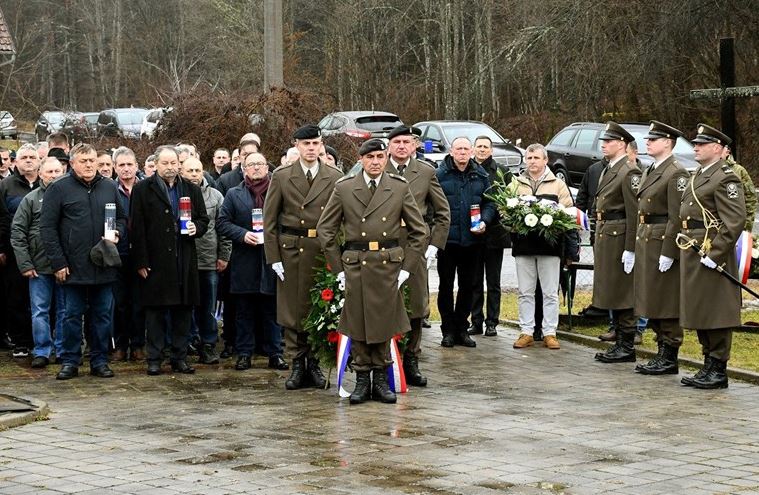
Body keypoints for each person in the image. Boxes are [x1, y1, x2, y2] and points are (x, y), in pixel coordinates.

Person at [317, 138, 426, 404]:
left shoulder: (399, 187)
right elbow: (326, 229)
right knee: (358, 322)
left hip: (388, 264)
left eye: (380, 157)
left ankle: (381, 377)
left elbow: (419, 231)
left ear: (386, 158)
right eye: (370, 158)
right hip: (356, 264)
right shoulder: (344, 188)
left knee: (385, 322)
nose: (375, 162)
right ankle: (362, 378)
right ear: (361, 160)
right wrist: (338, 266)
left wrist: (406, 268)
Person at [263, 124, 343, 389]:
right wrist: (273, 256)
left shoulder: (333, 175)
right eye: (306, 144)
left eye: (316, 143)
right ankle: (297, 364)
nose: (311, 149)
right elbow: (270, 219)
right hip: (292, 249)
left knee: (320, 307)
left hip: (322, 249)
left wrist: (338, 254)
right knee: (293, 312)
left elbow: (342, 219)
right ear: (297, 145)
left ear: (321, 145)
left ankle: (316, 364)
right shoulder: (283, 176)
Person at [40, 143, 127, 380]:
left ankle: (99, 360)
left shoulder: (109, 187)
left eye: (92, 160)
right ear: (73, 163)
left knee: (102, 316)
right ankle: (70, 361)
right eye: (83, 161)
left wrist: (117, 232)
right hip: (72, 266)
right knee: (70, 316)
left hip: (104, 263)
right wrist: (58, 262)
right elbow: (47, 228)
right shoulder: (58, 188)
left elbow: (121, 218)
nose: (89, 165)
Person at [130, 145, 209, 376]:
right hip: (156, 259)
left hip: (183, 258)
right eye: (165, 163)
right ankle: (154, 358)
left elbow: (203, 219)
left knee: (183, 312)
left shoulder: (190, 189)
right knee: (155, 313)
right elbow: (137, 228)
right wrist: (141, 261)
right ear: (156, 164)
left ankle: (179, 357)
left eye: (174, 163)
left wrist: (197, 227)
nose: (170, 167)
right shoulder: (144, 188)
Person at [679, 124, 745, 389]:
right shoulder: (700, 175)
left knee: (716, 311)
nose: (695, 147)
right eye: (695, 143)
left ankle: (718, 368)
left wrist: (716, 254)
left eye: (701, 144)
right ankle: (708, 364)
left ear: (717, 148)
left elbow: (734, 221)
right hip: (695, 250)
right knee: (701, 309)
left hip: (711, 253)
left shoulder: (726, 178)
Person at [384, 125, 450, 386]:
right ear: (389, 145)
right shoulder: (377, 168)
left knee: (415, 303)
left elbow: (442, 212)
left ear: (415, 146)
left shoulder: (425, 172)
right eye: (397, 141)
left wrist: (434, 244)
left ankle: (411, 358)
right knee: (386, 302)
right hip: (385, 244)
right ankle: (388, 358)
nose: (401, 146)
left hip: (415, 244)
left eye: (407, 142)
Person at [217, 152, 287, 371]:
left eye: (260, 164)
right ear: (244, 169)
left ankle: (275, 353)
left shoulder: (278, 191)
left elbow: (287, 220)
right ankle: (244, 353)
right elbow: (222, 222)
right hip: (244, 260)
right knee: (244, 311)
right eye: (251, 164)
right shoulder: (233, 194)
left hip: (271, 259)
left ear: (267, 167)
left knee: (271, 310)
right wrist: (242, 234)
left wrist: (274, 235)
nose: (256, 168)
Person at [632, 121, 690, 375]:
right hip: (647, 237)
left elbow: (676, 216)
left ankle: (669, 354)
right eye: (648, 139)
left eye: (653, 139)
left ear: (667, 142)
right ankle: (660, 351)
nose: (648, 142)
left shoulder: (676, 172)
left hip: (661, 240)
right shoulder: (651, 169)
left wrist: (669, 251)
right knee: (650, 298)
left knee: (665, 299)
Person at [510, 144, 574, 350]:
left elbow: (570, 214)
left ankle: (550, 332)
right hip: (524, 247)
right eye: (529, 158)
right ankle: (526, 331)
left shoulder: (557, 185)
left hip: (550, 247)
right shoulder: (516, 184)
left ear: (545, 160)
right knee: (525, 291)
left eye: (536, 158)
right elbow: (505, 211)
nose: (532, 162)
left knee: (549, 292)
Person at [436, 137, 496, 348]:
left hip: (473, 240)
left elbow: (490, 203)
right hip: (447, 241)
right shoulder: (440, 174)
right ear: (452, 151)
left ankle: (462, 328)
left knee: (468, 286)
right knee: (445, 286)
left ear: (471, 152)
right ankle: (447, 330)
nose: (462, 152)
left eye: (465, 149)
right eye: (458, 148)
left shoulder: (481, 175)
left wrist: (485, 221)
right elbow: (432, 204)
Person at [592, 122, 642, 363]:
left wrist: (631, 247)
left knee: (623, 291)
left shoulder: (628, 171)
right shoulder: (610, 168)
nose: (604, 145)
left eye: (608, 141)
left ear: (622, 144)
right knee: (614, 289)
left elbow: (634, 213)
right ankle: (621, 342)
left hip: (620, 234)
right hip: (607, 232)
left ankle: (626, 345)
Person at [10, 157, 66, 368]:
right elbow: (18, 232)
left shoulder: (69, 197)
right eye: (49, 171)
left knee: (64, 311)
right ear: (40, 174)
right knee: (40, 310)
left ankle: (62, 350)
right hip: (38, 267)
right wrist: (25, 263)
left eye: (57, 171)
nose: (53, 175)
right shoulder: (31, 199)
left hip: (65, 266)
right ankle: (42, 350)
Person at [180, 156, 231, 365]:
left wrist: (224, 256)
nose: (194, 174)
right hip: (184, 260)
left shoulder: (216, 196)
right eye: (189, 170)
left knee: (208, 307)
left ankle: (208, 344)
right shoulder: (176, 194)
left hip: (209, 259)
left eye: (197, 170)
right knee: (185, 306)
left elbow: (223, 229)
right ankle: (187, 342)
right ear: (182, 172)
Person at [468, 135, 511, 337]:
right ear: (473, 149)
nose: (482, 150)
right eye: (479, 146)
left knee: (493, 282)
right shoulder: (468, 169)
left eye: (486, 147)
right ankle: (475, 320)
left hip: (494, 234)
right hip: (474, 234)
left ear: (491, 150)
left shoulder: (503, 172)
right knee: (474, 280)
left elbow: (509, 201)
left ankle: (492, 321)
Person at [0, 143, 40, 358]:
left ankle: (40, 340)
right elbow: (1, 219)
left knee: (42, 300)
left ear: (38, 160)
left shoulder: (48, 183)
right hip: (14, 251)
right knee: (16, 298)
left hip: (43, 252)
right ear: (16, 161)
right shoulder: (6, 186)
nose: (28, 160)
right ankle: (21, 342)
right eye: (24, 157)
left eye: (32, 157)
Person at [111, 147, 146, 362]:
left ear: (136, 166)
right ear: (115, 167)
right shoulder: (109, 189)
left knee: (140, 302)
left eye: (129, 164)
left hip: (141, 254)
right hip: (118, 253)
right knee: (119, 302)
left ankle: (139, 344)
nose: (125, 169)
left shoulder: (146, 188)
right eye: (121, 165)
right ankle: (120, 345)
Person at [722, 145, 756, 232]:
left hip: (734, 224)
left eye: (724, 148)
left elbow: (750, 199)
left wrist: (746, 226)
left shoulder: (738, 170)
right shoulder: (702, 170)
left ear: (727, 152)